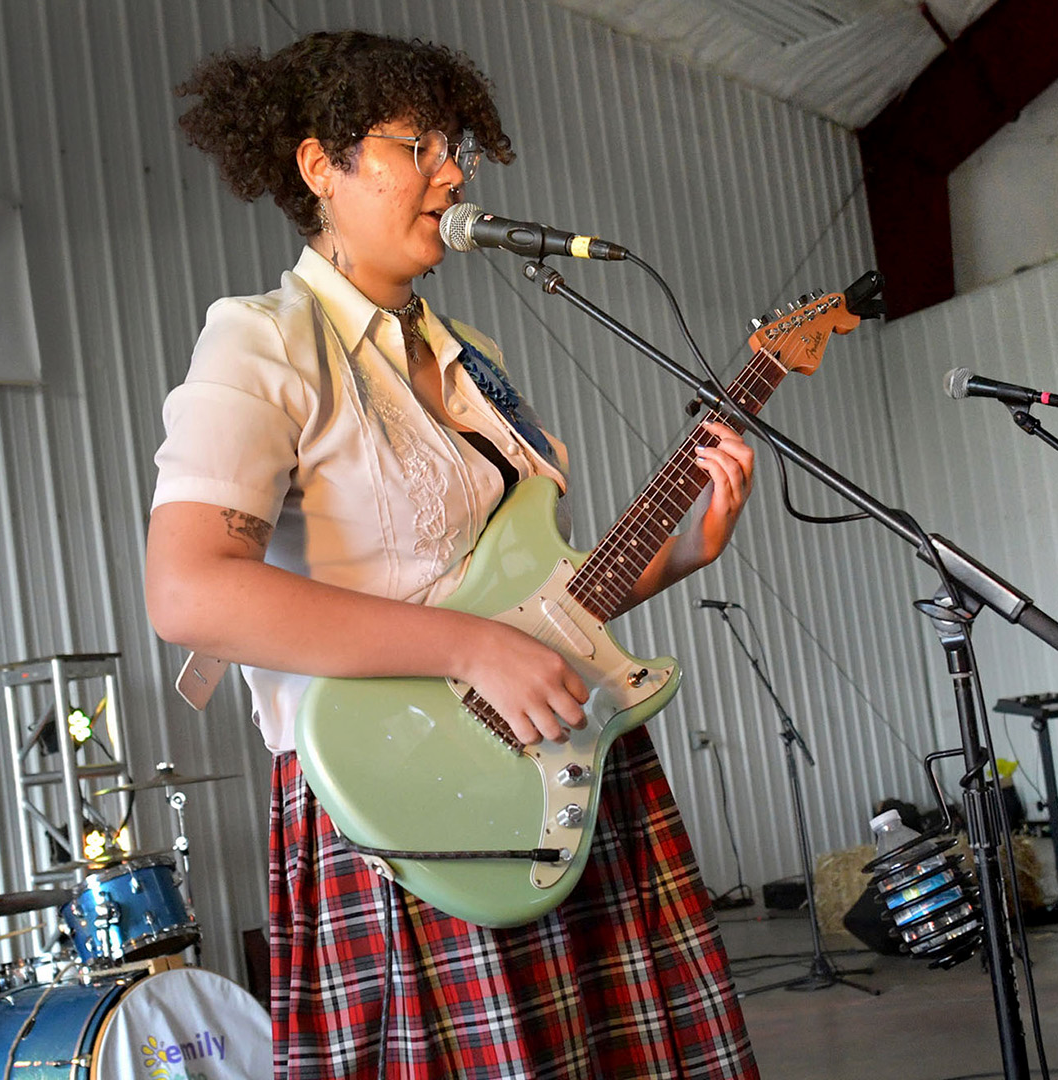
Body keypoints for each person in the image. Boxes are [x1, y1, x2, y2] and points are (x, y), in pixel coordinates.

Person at [146, 30, 760, 1078]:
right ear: (320, 168)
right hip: (405, 792)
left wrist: (687, 552)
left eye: (456, 143)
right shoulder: (263, 341)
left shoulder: (477, 362)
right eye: (417, 144)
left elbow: (533, 603)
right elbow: (191, 591)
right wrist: (471, 651)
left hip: (559, 760)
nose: (454, 170)